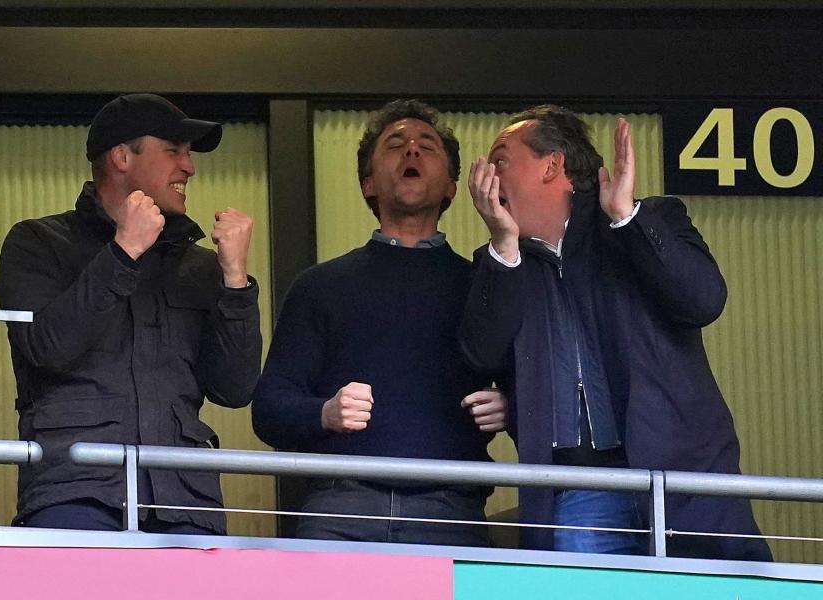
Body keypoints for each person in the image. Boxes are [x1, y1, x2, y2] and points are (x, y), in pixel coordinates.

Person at [462, 104, 771, 561]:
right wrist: (503, 247)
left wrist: (627, 219)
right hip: (581, 490)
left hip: (678, 484)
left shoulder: (646, 221)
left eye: (502, 159)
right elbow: (480, 355)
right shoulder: (501, 263)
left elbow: (704, 301)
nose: (487, 174)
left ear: (553, 165)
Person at [0, 93, 263, 534]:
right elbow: (47, 348)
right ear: (122, 156)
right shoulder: (37, 242)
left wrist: (235, 279)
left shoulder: (199, 266)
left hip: (185, 504)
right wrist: (124, 252)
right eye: (174, 151)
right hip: (74, 492)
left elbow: (235, 388)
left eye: (190, 154)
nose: (189, 167)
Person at [252, 99, 505, 547]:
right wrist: (325, 412)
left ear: (451, 185)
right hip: (340, 505)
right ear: (368, 184)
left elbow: (542, 385)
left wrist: (513, 405)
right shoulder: (320, 285)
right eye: (395, 145)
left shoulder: (482, 286)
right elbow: (269, 409)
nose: (411, 151)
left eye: (426, 145)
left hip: (450, 509)